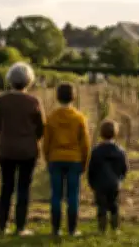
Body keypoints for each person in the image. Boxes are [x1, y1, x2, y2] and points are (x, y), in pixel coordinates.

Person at [0, 62, 44, 236]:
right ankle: (20, 227)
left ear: (10, 80)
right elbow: (40, 127)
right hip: (28, 150)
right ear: (29, 81)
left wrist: (7, 134)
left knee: (6, 187)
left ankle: (2, 225)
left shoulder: (1, 100)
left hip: (6, 149)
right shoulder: (33, 101)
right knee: (24, 188)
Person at [43, 83, 90, 237]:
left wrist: (47, 158)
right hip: (74, 159)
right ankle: (72, 229)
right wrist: (84, 162)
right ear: (73, 97)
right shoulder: (79, 118)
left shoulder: (51, 117)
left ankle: (55, 229)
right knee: (73, 195)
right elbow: (85, 143)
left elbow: (46, 142)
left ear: (57, 97)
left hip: (55, 158)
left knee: (56, 195)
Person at [87, 120, 129, 234]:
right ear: (115, 133)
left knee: (101, 206)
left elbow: (91, 168)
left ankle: (102, 229)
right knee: (114, 204)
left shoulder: (96, 151)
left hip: (99, 183)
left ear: (101, 133)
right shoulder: (120, 151)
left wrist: (92, 183)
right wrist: (120, 179)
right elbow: (125, 168)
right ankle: (115, 228)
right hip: (114, 183)